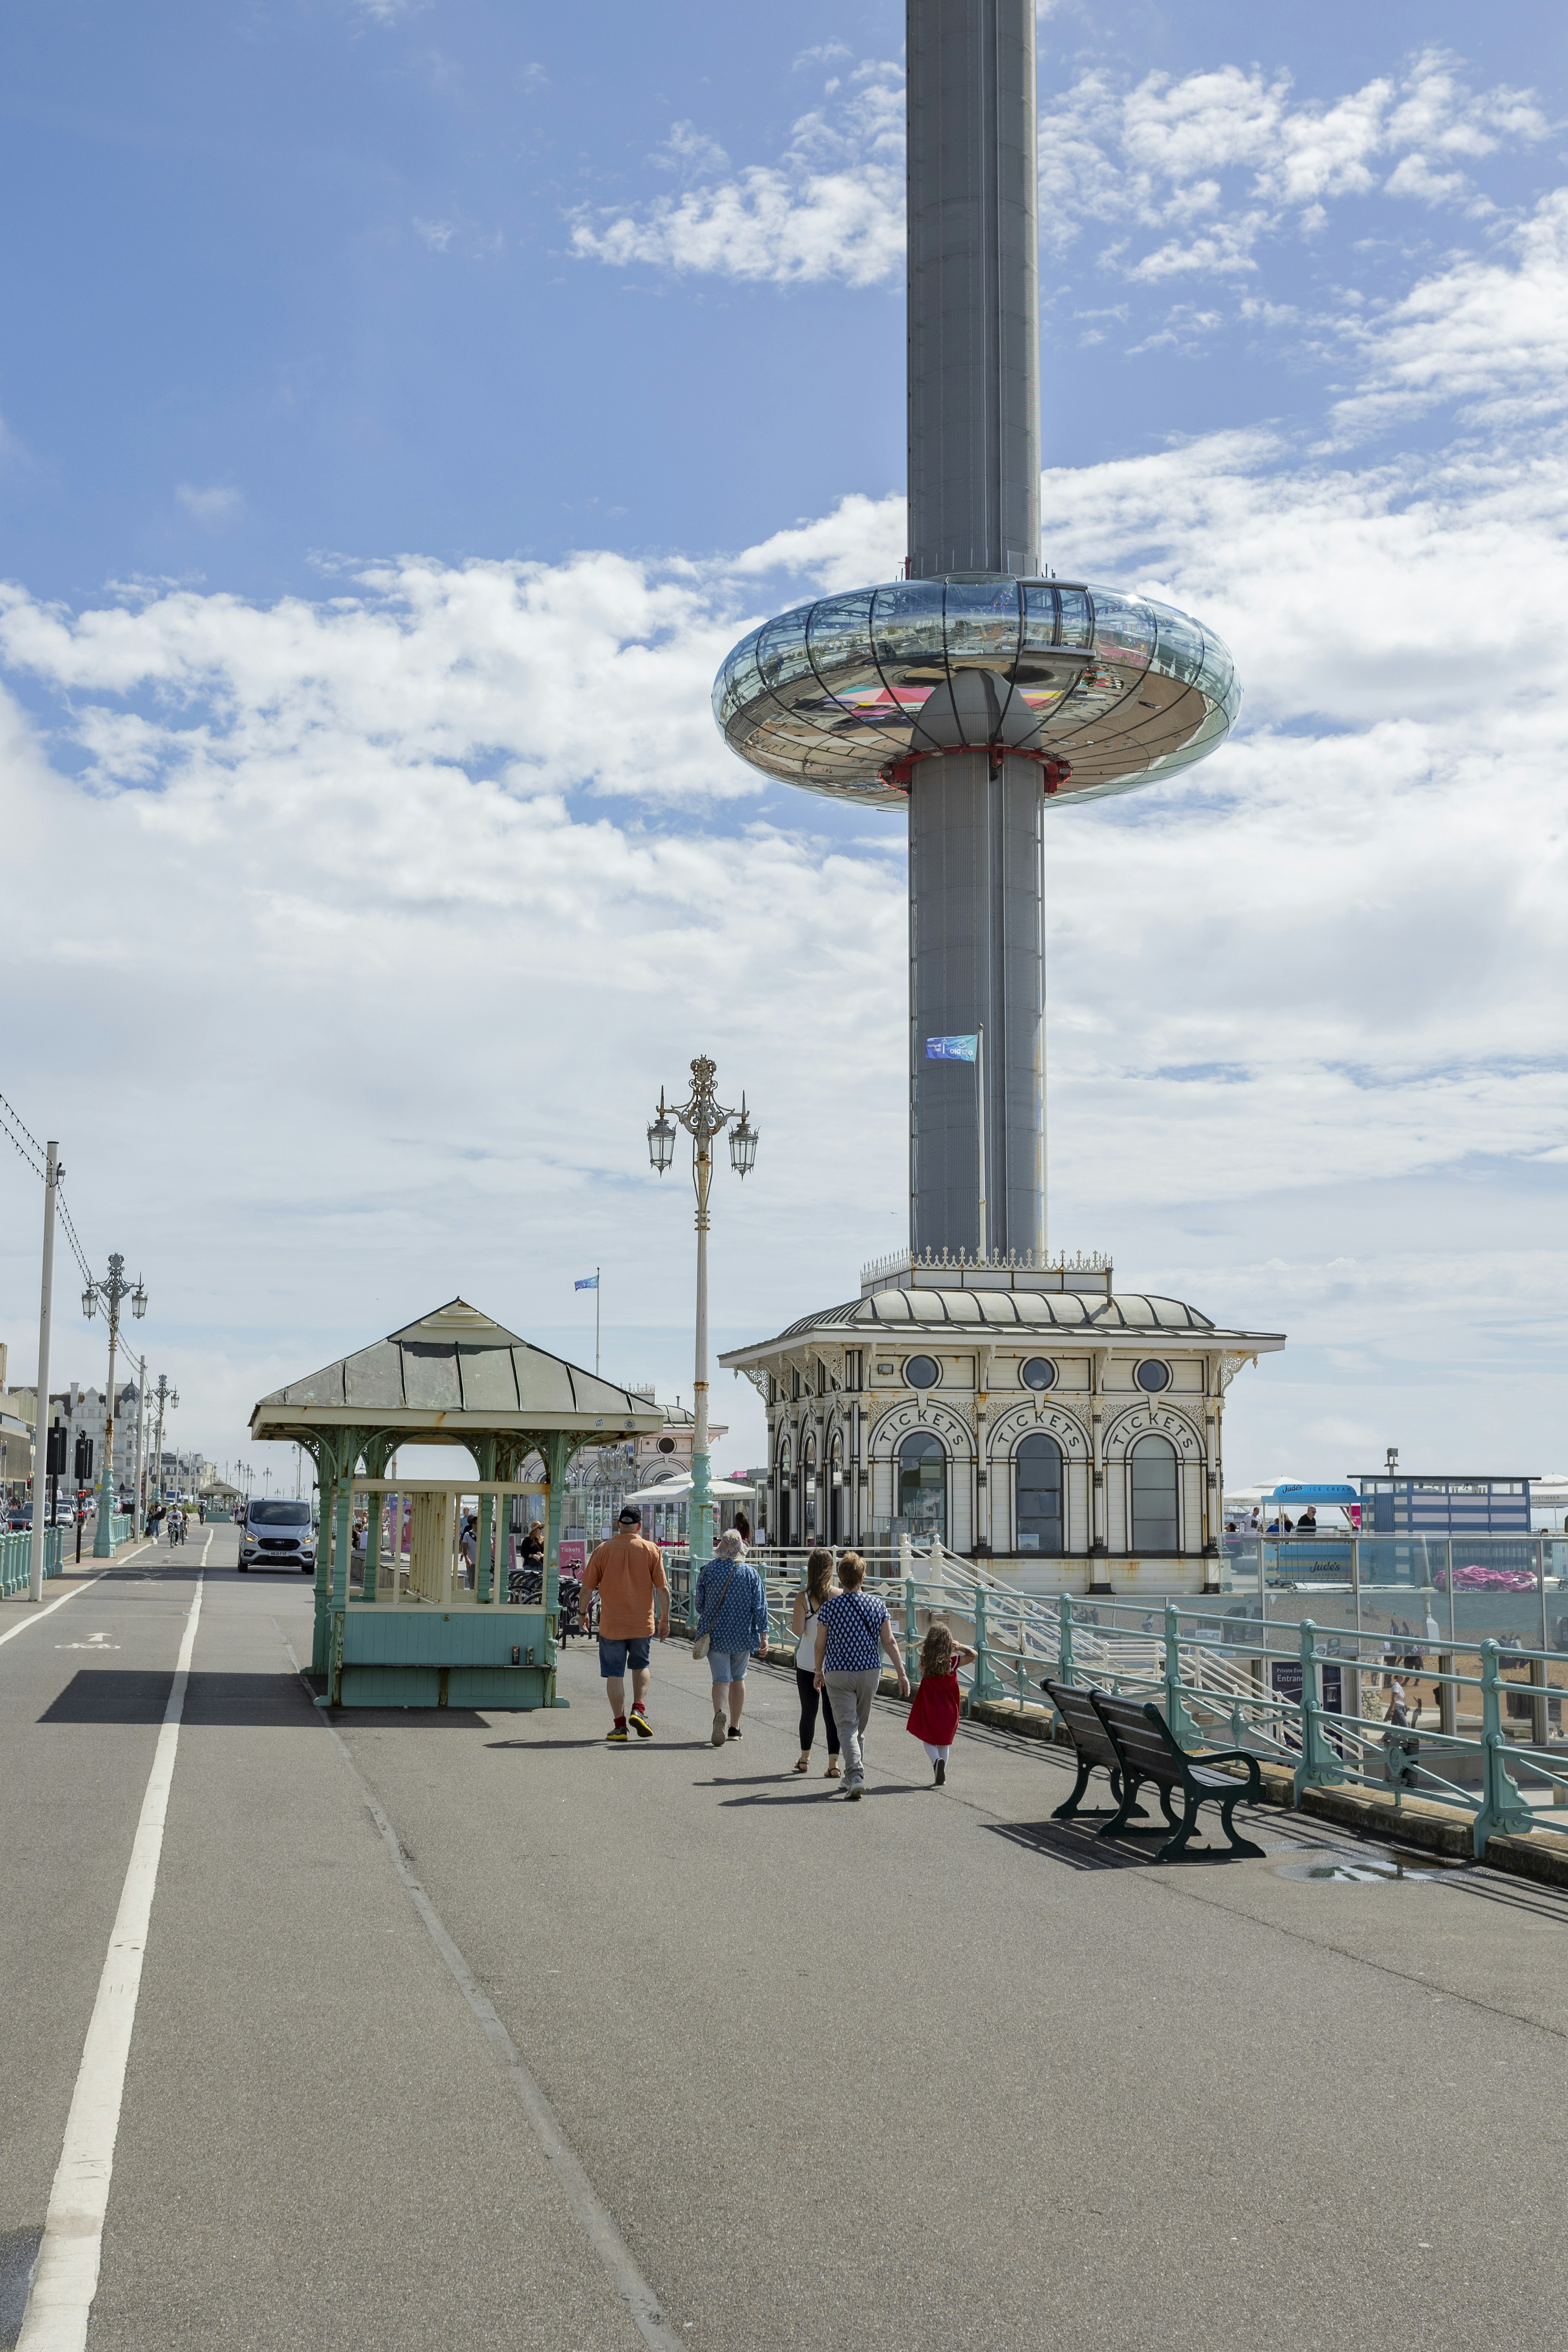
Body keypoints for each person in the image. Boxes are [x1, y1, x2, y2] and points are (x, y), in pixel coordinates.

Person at [814, 1551, 909, 1800]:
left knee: (847, 1726)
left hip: (838, 1672)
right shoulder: (878, 1605)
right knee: (859, 1727)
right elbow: (889, 1641)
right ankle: (851, 1776)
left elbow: (820, 1645)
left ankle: (855, 1774)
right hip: (869, 1672)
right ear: (863, 1577)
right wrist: (901, 1673)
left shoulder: (829, 1608)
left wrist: (818, 1670)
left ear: (841, 1578)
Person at [581, 1506, 669, 1742]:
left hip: (612, 1623)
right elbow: (662, 1589)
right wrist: (665, 1619)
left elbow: (587, 1588)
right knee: (641, 1665)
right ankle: (639, 1709)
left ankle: (620, 1727)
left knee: (614, 1673)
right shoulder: (652, 1550)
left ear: (618, 1524)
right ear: (640, 1527)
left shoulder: (603, 1550)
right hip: (642, 1622)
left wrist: (582, 1613)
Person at [695, 1528, 769, 1746]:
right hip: (743, 1635)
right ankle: (735, 1728)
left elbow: (699, 1606)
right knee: (739, 1678)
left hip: (716, 1635)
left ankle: (719, 1713)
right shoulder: (750, 1574)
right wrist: (764, 1635)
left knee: (721, 1680)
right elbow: (760, 1607)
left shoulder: (708, 1571)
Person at [905, 1619, 976, 1786]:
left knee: (928, 1738)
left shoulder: (926, 1662)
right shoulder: (952, 1663)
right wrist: (959, 1646)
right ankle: (941, 1770)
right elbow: (973, 1655)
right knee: (944, 1741)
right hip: (949, 1708)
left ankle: (936, 1762)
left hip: (930, 1706)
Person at [791, 1548, 841, 1778]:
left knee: (808, 1712)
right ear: (831, 1570)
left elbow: (798, 1631)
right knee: (832, 1714)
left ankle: (805, 1759)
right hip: (832, 1664)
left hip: (806, 1663)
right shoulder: (838, 1595)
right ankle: (833, 1765)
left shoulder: (802, 1598)